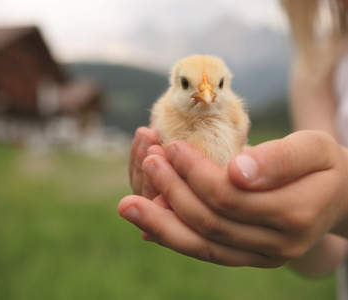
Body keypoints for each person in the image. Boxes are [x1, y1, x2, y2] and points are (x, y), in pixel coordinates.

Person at [118, 0, 348, 289]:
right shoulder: (317, 67)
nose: (205, 93)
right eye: (188, 85)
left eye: (217, 86)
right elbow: (328, 253)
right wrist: (293, 222)